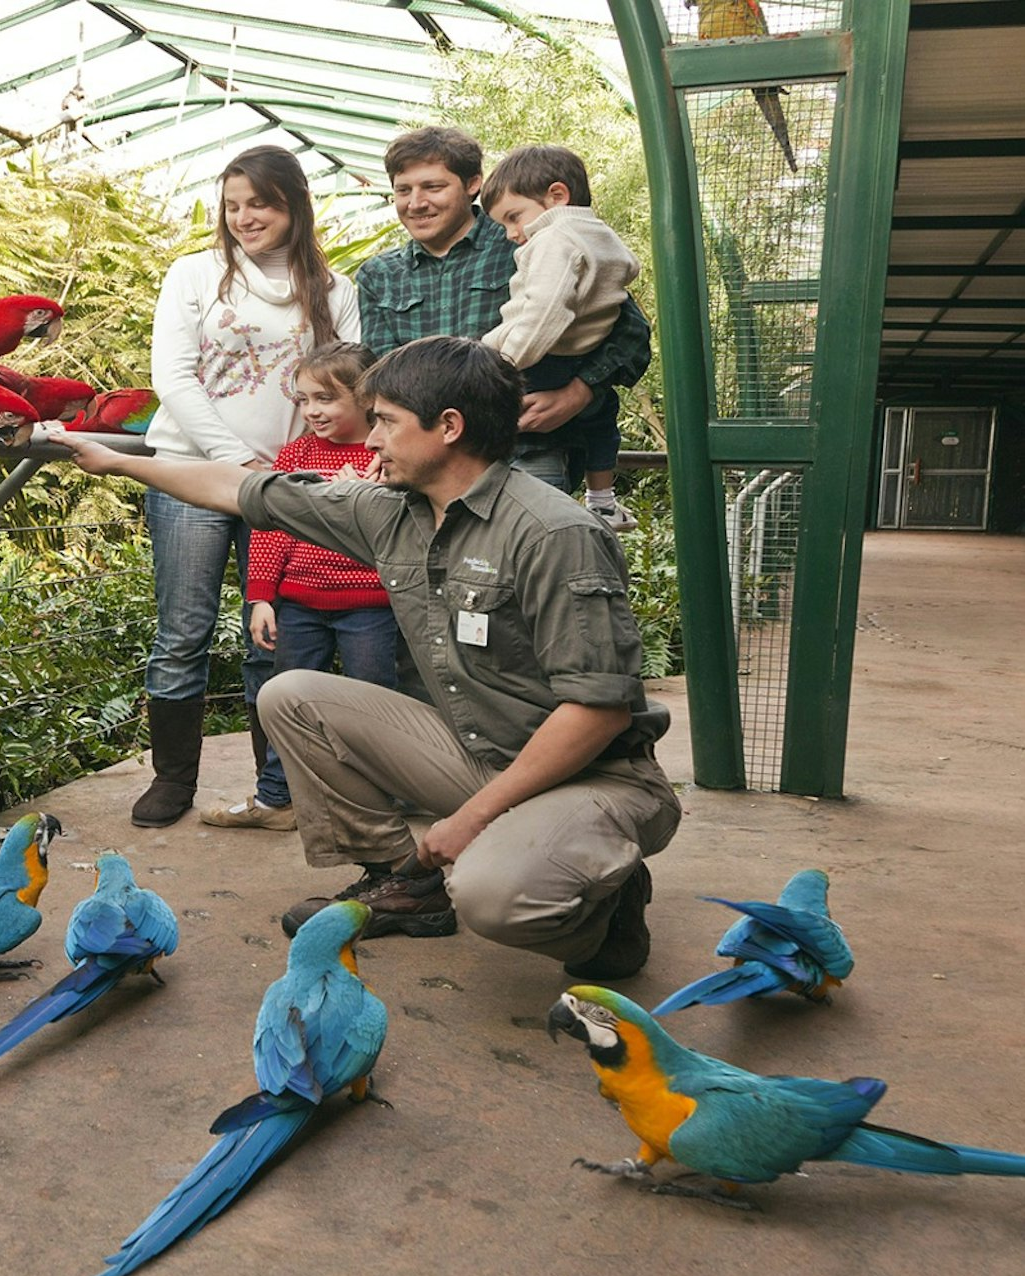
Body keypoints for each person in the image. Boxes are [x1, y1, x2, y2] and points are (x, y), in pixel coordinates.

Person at [51, 335, 680, 981]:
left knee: (496, 897)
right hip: (481, 754)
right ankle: (402, 883)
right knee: (291, 695)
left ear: (449, 428)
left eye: (385, 420)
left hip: (595, 779)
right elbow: (240, 488)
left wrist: (469, 821)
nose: (371, 439)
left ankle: (607, 914)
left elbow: (597, 711)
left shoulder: (554, 533)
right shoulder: (393, 514)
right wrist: (115, 463)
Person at [131, 144, 359, 829]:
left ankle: (276, 788)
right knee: (183, 631)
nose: (243, 217)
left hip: (286, 487)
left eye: (259, 203)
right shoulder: (195, 275)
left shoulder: (335, 290)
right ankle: (173, 780)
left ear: (293, 205)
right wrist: (237, 459)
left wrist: (290, 469)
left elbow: (352, 383)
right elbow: (173, 377)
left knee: (274, 634)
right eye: (232, 205)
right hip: (191, 473)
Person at [354, 126, 650, 525]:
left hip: (526, 450)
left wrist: (579, 392)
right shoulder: (378, 275)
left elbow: (628, 330)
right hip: (426, 465)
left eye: (433, 187)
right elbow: (384, 377)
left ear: (472, 184)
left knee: (531, 569)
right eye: (403, 190)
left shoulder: (529, 236)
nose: (416, 203)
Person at [199, 341, 398, 831]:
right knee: (283, 699)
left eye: (325, 399)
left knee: (372, 704)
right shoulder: (297, 454)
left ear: (366, 398)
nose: (311, 411)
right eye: (304, 399)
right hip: (300, 605)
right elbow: (272, 528)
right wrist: (262, 597)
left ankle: (374, 803)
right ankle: (277, 798)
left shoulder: (389, 456)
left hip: (370, 607)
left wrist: (373, 492)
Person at [480, 145, 642, 531]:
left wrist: (502, 363)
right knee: (602, 419)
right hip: (578, 358)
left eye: (514, 218)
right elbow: (626, 273)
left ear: (557, 196)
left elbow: (542, 314)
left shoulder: (554, 240)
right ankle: (603, 501)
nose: (512, 233)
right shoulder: (599, 235)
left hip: (542, 358)